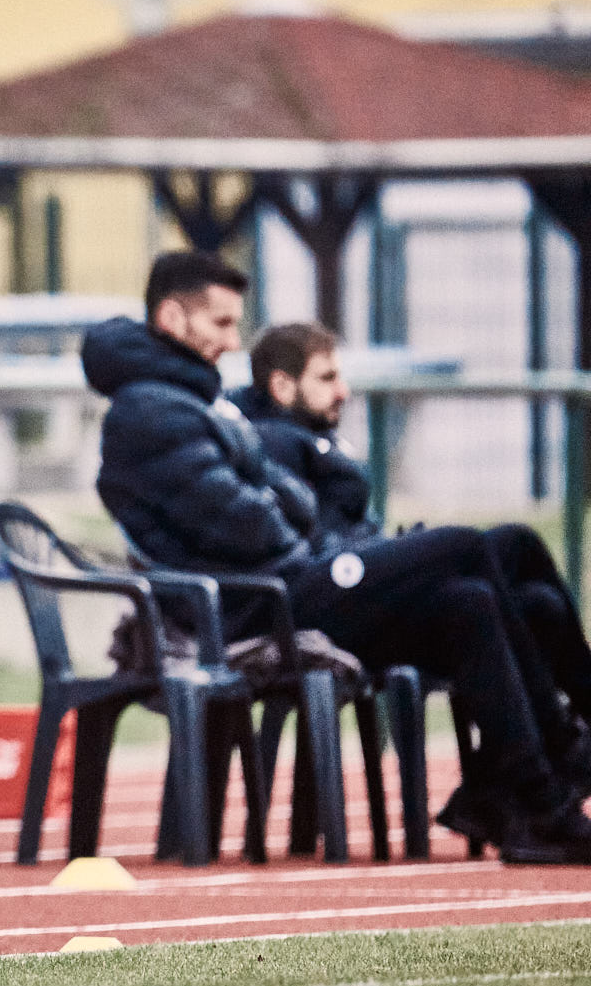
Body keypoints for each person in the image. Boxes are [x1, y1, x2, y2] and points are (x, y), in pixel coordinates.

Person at [83, 250, 591, 862]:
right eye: (219, 324)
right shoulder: (150, 410)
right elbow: (249, 525)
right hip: (260, 609)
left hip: (290, 582)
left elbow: (274, 500)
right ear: (171, 317)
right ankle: (564, 751)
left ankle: (525, 802)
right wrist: (286, 505)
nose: (232, 340)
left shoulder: (193, 401)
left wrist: (282, 502)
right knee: (468, 547)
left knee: (473, 596)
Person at [238, 321, 591, 771]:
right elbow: (302, 538)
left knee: (524, 599)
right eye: (327, 378)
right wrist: (387, 558)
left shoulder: (313, 438)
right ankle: (561, 739)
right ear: (283, 386)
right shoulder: (271, 440)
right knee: (480, 546)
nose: (343, 390)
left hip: (361, 587)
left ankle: (520, 785)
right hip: (332, 601)